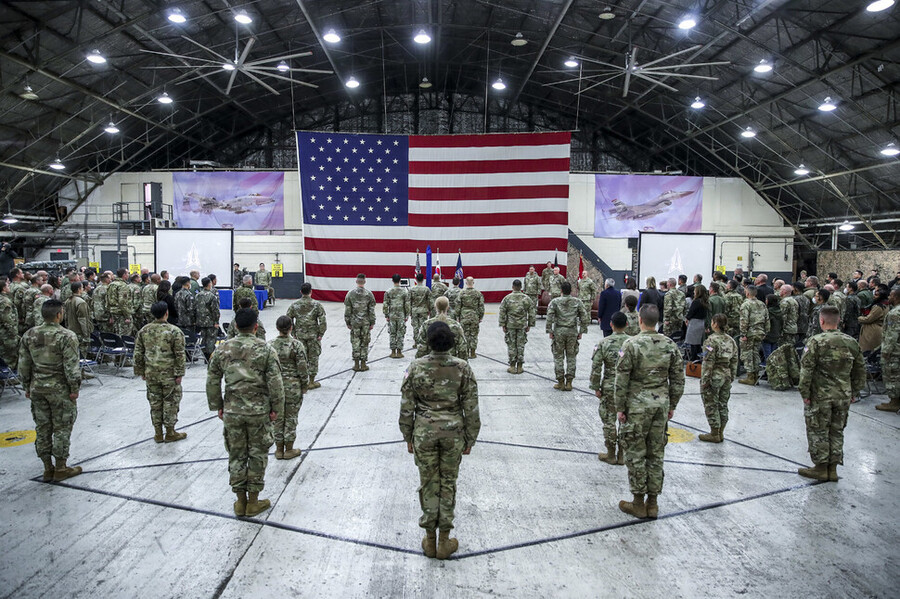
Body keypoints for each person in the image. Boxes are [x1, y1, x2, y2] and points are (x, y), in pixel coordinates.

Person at [400, 321, 480, 560]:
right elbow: (472, 408)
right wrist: (470, 438)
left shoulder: (415, 367)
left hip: (424, 433)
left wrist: (408, 435)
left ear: (427, 341)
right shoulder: (462, 367)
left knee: (428, 483)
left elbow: (406, 407)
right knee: (447, 483)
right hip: (453, 434)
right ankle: (444, 541)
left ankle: (430, 540)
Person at [207, 308, 284, 517]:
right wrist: (276, 408)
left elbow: (212, 379)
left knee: (236, 454)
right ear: (256, 327)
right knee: (257, 454)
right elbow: (276, 382)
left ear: (235, 327)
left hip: (233, 410)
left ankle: (240, 502)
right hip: (258, 412)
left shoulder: (222, 349)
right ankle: (253, 502)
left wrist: (218, 406)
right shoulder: (266, 349)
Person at [614, 304, 684, 519]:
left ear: (640, 321)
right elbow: (679, 378)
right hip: (660, 407)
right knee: (656, 454)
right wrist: (672, 405)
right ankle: (653, 503)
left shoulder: (631, 344)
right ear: (657, 321)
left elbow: (621, 379)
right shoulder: (671, 345)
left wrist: (619, 408)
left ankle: (638, 503)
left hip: (636, 407)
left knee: (635, 453)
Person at [797, 306, 865, 482]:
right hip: (843, 395)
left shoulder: (816, 342)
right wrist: (854, 391)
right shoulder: (851, 342)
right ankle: (832, 469)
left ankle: (820, 468)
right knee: (837, 430)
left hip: (820, 395)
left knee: (818, 430)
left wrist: (804, 392)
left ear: (821, 321)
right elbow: (860, 370)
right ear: (839, 321)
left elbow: (806, 371)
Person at [18, 300, 82, 482]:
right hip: (60, 389)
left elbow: (23, 365)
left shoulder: (29, 335)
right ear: (59, 314)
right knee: (62, 428)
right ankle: (61, 468)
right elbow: (71, 367)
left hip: (37, 388)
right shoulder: (66, 336)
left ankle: (47, 468)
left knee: (43, 428)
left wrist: (27, 386)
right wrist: (74, 389)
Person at [134, 301, 187, 443]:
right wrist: (179, 373)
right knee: (170, 402)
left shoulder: (144, 330)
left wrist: (141, 371)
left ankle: (158, 434)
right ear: (167, 313)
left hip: (151, 373)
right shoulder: (174, 331)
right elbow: (180, 354)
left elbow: (138, 353)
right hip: (169, 374)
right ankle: (170, 432)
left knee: (155, 403)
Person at [589, 311, 629, 465]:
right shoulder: (633, 343)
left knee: (609, 421)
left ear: (611, 324)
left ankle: (611, 453)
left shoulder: (603, 343)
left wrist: (596, 387)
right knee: (626, 422)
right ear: (627, 324)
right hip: (628, 389)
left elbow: (596, 367)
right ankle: (622, 455)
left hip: (610, 387)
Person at [269, 316, 308, 460]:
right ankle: (289, 449)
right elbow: (302, 367)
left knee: (277, 418)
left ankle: (279, 449)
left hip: (275, 386)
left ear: (277, 328)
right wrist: (304, 385)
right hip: (293, 386)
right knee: (291, 418)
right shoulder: (296, 345)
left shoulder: (270, 345)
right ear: (291, 328)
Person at [699, 314, 738, 443]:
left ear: (715, 324)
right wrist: (732, 375)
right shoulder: (731, 340)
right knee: (723, 404)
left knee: (711, 403)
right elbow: (734, 360)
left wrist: (705, 379)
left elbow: (708, 361)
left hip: (715, 375)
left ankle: (714, 432)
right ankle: (721, 432)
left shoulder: (710, 341)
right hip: (726, 374)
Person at [546, 281, 588, 391]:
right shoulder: (577, 301)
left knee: (558, 356)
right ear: (571, 291)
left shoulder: (555, 302)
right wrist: (581, 331)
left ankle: (560, 382)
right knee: (571, 356)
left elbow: (549, 316)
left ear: (561, 291)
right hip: (572, 332)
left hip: (559, 331)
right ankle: (569, 382)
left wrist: (550, 330)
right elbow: (584, 317)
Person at [286, 282, 327, 389]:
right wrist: (320, 333)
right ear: (311, 292)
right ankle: (311, 381)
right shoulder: (317, 304)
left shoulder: (294, 305)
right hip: (313, 336)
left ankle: (302, 380)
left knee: (300, 357)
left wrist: (293, 332)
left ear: (300, 292)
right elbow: (322, 320)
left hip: (299, 335)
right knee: (313, 357)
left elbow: (288, 319)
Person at [498, 279, 535, 374]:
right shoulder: (526, 298)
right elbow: (531, 312)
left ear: (513, 287)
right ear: (521, 287)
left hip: (510, 325)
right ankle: (520, 366)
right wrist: (530, 324)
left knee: (511, 345)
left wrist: (503, 324)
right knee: (520, 345)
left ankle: (512, 366)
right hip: (522, 325)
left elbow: (502, 311)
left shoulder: (507, 298)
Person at [738, 285, 770, 385]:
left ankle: (750, 377)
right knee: (755, 353)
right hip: (760, 332)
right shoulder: (762, 304)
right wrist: (766, 331)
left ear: (747, 293)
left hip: (749, 333)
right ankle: (756, 375)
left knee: (747, 354)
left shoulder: (746, 304)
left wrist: (743, 333)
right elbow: (767, 319)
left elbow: (744, 320)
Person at [345, 273, 376, 372]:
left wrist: (347, 321)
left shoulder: (350, 294)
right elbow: (371, 310)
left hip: (355, 322)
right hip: (365, 322)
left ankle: (356, 364)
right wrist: (372, 322)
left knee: (355, 341)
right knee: (365, 342)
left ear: (356, 281)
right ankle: (363, 364)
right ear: (364, 281)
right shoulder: (369, 294)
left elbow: (347, 310)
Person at [876, 288, 900, 413]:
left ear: (896, 297)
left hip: (894, 351)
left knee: (892, 376)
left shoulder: (895, 313)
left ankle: (894, 402)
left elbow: (892, 335)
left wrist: (885, 352)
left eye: (890, 295)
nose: (888, 297)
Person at [384, 273, 411, 358]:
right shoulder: (404, 292)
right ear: (400, 280)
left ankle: (392, 351)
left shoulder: (388, 292)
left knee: (392, 333)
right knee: (400, 333)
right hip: (401, 315)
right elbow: (407, 305)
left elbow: (385, 304)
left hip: (392, 315)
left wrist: (386, 315)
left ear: (392, 280)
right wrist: (407, 315)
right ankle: (399, 351)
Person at [458, 277, 485, 359]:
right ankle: (472, 352)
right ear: (473, 282)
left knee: (465, 334)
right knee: (473, 335)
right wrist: (480, 317)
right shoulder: (478, 293)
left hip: (464, 316)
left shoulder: (462, 293)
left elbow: (458, 306)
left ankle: (465, 352)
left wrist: (458, 316)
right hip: (474, 316)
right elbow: (481, 306)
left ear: (466, 283)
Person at [63, 282, 92, 358]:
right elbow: (83, 320)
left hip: (71, 329)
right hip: (79, 332)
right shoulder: (81, 302)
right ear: (79, 289)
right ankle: (81, 369)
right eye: (82, 288)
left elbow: (65, 317)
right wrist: (86, 334)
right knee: (82, 354)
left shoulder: (68, 301)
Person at [196, 277, 220, 360]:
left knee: (203, 338)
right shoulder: (211, 296)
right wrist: (216, 321)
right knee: (211, 339)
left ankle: (204, 354)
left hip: (200, 321)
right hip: (210, 322)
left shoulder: (198, 295)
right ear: (209, 284)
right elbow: (215, 310)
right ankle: (209, 356)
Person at [858, 286, 888, 353]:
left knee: (867, 350)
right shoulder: (885, 305)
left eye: (876, 295)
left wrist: (859, 318)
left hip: (872, 330)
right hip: (876, 328)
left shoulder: (878, 307)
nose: (874, 296)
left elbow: (869, 319)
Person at [106, 268, 135, 337]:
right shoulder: (123, 286)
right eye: (128, 273)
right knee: (124, 335)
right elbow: (123, 302)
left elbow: (107, 300)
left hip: (113, 312)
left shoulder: (111, 284)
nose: (128, 275)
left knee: (116, 333)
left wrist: (110, 315)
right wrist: (127, 316)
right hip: (121, 313)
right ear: (124, 275)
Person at [0, 277, 20, 370]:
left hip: (2, 333)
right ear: (3, 288)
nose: (9, 287)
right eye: (7, 285)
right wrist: (14, 333)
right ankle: (9, 378)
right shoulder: (5, 301)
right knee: (9, 357)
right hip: (7, 335)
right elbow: (7, 320)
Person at [685, 284, 709, 361]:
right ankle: (698, 359)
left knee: (693, 344)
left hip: (694, 324)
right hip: (701, 323)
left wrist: (687, 318)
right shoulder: (705, 302)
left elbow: (691, 313)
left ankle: (693, 360)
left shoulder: (696, 302)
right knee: (698, 343)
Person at [409, 273, 433, 349]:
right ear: (423, 279)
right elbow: (430, 300)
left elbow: (408, 301)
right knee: (423, 326)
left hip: (414, 310)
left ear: (416, 279)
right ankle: (423, 342)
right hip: (424, 310)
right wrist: (430, 309)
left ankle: (416, 342)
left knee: (415, 327)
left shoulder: (412, 289)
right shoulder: (426, 289)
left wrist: (409, 310)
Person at [761, 294, 783, 366]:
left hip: (767, 336)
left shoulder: (767, 312)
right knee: (774, 355)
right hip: (776, 334)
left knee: (768, 356)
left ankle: (769, 372)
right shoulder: (780, 311)